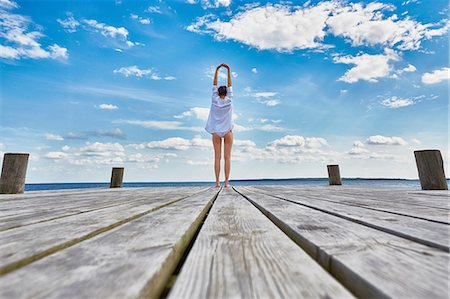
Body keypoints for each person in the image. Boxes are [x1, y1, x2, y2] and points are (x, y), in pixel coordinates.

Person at [205, 63, 234, 188]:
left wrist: (217, 69)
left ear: (217, 92)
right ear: (227, 92)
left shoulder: (214, 99)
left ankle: (217, 183)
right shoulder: (230, 99)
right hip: (227, 131)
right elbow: (230, 85)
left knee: (217, 158)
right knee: (227, 157)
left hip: (216, 131)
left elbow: (214, 85)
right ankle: (226, 183)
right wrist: (228, 70)